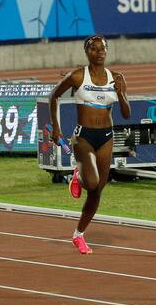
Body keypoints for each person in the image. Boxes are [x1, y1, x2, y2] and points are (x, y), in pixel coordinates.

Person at [49, 35, 131, 255]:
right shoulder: (77, 76)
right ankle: (78, 175)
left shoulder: (116, 77)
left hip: (106, 136)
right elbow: (53, 96)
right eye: (94, 49)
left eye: (103, 48)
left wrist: (122, 93)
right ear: (87, 52)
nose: (99, 52)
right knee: (92, 181)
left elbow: (125, 113)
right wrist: (56, 128)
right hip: (83, 136)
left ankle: (79, 235)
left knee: (97, 193)